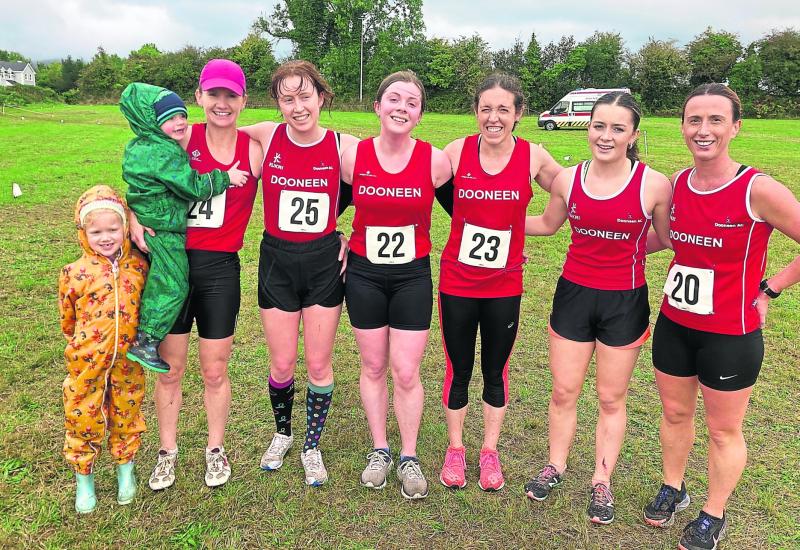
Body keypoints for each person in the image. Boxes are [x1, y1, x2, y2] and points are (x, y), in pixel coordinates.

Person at [643, 84, 800, 550]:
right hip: (675, 324)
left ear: (735, 127)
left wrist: (772, 287)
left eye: (715, 120)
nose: (703, 130)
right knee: (675, 413)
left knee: (723, 429)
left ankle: (713, 512)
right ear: (682, 127)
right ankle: (674, 487)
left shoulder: (758, 189)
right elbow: (663, 239)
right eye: (694, 120)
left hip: (730, 334)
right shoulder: (677, 184)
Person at [523, 92, 672, 524]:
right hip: (574, 295)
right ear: (588, 128)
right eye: (599, 126)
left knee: (610, 397)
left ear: (633, 135)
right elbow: (547, 224)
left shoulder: (654, 184)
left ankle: (601, 480)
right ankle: (555, 465)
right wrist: (492, 218)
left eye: (617, 129)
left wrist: (628, 249)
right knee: (564, 391)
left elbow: (666, 238)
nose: (606, 136)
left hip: (624, 301)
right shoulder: (568, 179)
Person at [129, 60, 262, 489]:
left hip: (220, 270)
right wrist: (132, 215)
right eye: (213, 94)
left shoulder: (254, 149)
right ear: (199, 97)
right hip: (173, 267)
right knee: (170, 369)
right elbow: (140, 177)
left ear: (243, 100)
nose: (222, 103)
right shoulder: (181, 137)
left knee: (214, 370)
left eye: (231, 95)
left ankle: (215, 449)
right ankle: (167, 452)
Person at [436, 73, 562, 492]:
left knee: (495, 369)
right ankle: (456, 448)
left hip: (504, 285)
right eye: (486, 109)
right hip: (457, 281)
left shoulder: (533, 156)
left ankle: (490, 450)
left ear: (518, 113)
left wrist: (528, 227)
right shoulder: (456, 152)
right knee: (458, 368)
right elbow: (413, 185)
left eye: (503, 109)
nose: (494, 117)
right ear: (476, 112)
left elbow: (573, 190)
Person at [238, 60, 357, 487]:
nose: (298, 107)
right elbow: (215, 133)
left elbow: (382, 187)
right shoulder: (266, 135)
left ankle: (311, 445)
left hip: (323, 263)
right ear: (277, 103)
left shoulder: (344, 146)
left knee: (319, 365)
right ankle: (283, 433)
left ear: (321, 97)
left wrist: (354, 234)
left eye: (305, 96)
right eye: (287, 99)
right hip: (277, 261)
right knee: (282, 363)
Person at [341, 70, 452, 499]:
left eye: (411, 102)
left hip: (411, 276)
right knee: (373, 366)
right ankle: (380, 450)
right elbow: (328, 207)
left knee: (406, 370)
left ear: (420, 115)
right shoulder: (354, 157)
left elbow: (465, 215)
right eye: (393, 99)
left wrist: (509, 245)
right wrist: (334, 236)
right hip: (364, 274)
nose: (401, 108)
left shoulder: (435, 161)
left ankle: (408, 455)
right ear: (377, 107)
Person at [120, 82, 249, 374]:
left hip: (167, 228)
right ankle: (145, 339)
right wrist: (224, 177)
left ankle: (145, 336)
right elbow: (191, 186)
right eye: (170, 118)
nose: (179, 122)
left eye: (182, 115)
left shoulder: (142, 144)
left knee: (163, 281)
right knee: (173, 284)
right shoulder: (163, 152)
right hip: (162, 228)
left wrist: (135, 210)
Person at [58, 185, 149, 513]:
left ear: (125, 228)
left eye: (113, 229)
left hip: (128, 360)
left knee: (127, 412)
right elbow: (67, 320)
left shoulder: (138, 267)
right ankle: (84, 478)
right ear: (83, 233)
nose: (106, 237)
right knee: (83, 414)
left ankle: (126, 470)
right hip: (87, 362)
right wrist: (83, 346)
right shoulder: (73, 273)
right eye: (96, 232)